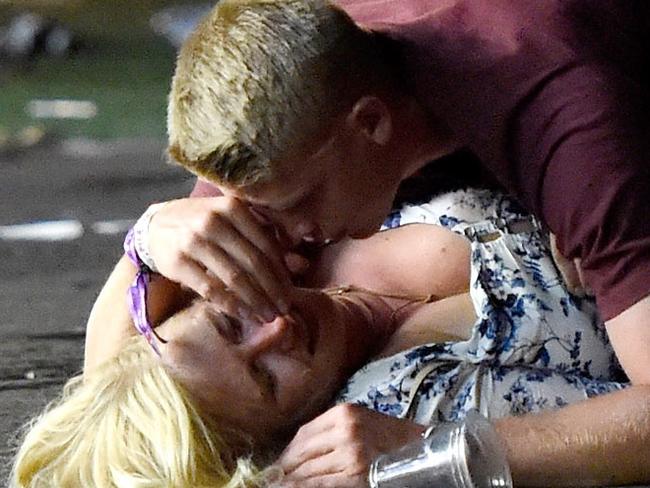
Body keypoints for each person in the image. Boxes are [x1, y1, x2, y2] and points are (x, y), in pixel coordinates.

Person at [128, 0, 647, 484]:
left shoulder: (573, 142)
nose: (278, 325)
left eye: (301, 202)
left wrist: (437, 453)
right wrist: (147, 240)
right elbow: (115, 393)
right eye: (266, 376)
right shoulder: (296, 88)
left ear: (372, 123)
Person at [16, 184, 627, 486]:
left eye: (231, 322)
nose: (277, 329)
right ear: (287, 438)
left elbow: (111, 367)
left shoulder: (282, 232)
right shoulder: (409, 405)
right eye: (265, 378)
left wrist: (150, 236)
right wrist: (433, 453)